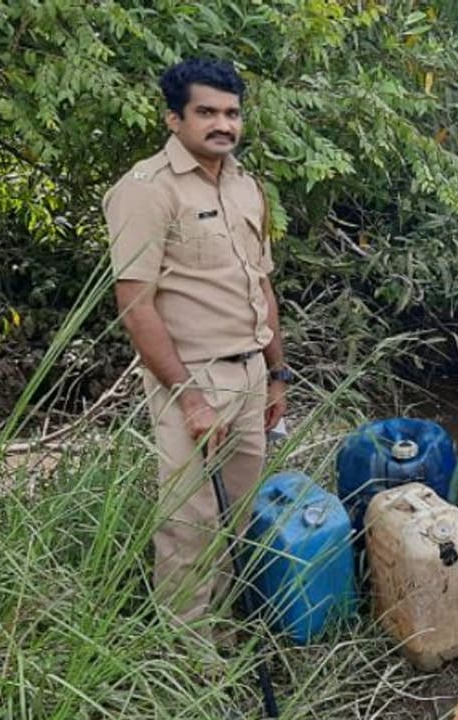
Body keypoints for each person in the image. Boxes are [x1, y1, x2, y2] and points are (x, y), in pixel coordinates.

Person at [103, 58, 293, 628]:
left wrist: (277, 373)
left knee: (234, 516)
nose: (223, 124)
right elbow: (136, 306)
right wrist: (189, 398)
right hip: (192, 379)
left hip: (251, 376)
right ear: (173, 118)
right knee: (189, 522)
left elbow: (260, 283)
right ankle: (184, 653)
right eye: (206, 112)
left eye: (232, 113)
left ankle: (218, 632)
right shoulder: (145, 191)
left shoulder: (245, 185)